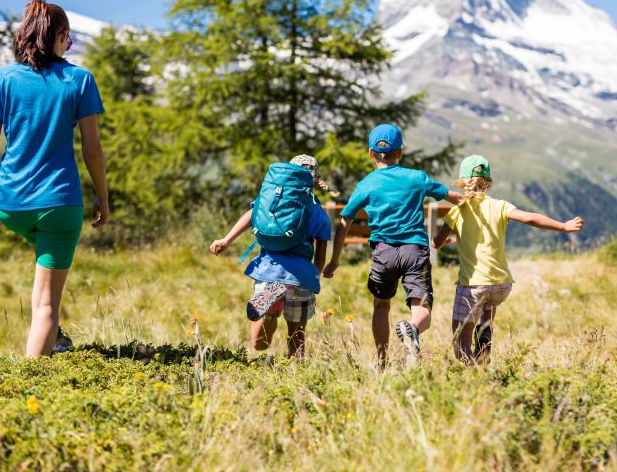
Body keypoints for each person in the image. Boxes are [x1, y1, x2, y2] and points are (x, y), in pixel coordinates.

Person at [0, 0, 109, 358]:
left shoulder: (3, 78)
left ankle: (57, 339)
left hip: (9, 204)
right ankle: (34, 383)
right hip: (59, 204)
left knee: (41, 259)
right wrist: (102, 198)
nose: (71, 46)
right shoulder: (79, 80)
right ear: (60, 37)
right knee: (46, 307)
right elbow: (91, 150)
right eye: (69, 39)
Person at [323, 123, 463, 365]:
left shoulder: (366, 184)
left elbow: (343, 223)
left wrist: (334, 261)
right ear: (400, 152)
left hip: (383, 252)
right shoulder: (417, 178)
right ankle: (413, 328)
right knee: (422, 309)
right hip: (415, 251)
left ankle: (382, 360)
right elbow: (458, 200)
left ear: (370, 154)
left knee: (381, 305)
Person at [431, 155, 584, 365]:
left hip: (472, 285)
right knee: (487, 304)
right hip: (501, 285)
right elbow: (530, 218)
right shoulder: (500, 206)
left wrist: (444, 238)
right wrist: (563, 226)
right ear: (488, 183)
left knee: (460, 341)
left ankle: (470, 377)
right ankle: (484, 334)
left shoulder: (457, 211)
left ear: (461, 182)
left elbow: (436, 243)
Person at [210, 155, 333, 359]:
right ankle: (296, 376)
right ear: (314, 179)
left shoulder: (270, 201)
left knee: (259, 345)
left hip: (268, 270)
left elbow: (251, 214)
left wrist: (226, 239)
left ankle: (269, 313)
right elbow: (320, 256)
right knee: (297, 335)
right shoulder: (317, 212)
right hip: (300, 276)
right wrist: (314, 276)